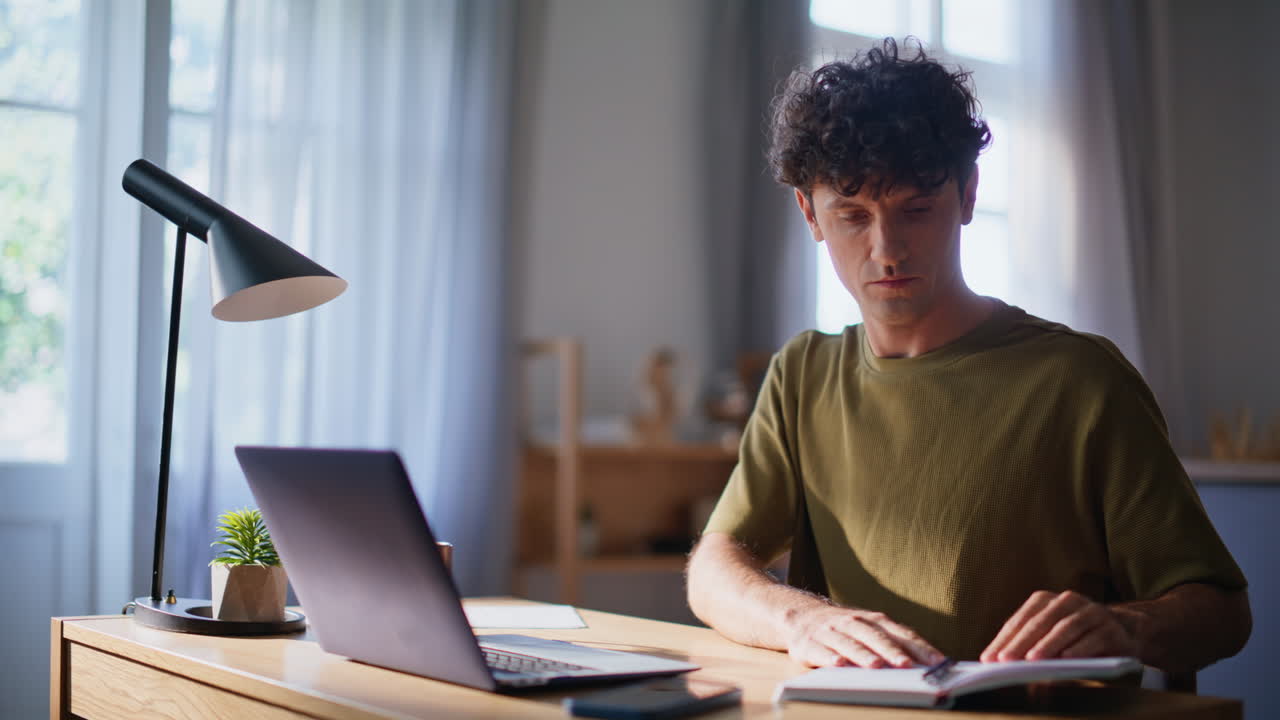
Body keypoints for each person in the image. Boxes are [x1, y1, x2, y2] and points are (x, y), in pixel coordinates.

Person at [685, 38, 1250, 673]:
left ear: (969, 195)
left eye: (916, 209)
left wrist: (1126, 625)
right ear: (810, 214)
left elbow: (1222, 612)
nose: (887, 248)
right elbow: (714, 567)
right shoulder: (802, 373)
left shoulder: (1082, 380)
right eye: (852, 215)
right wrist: (802, 619)